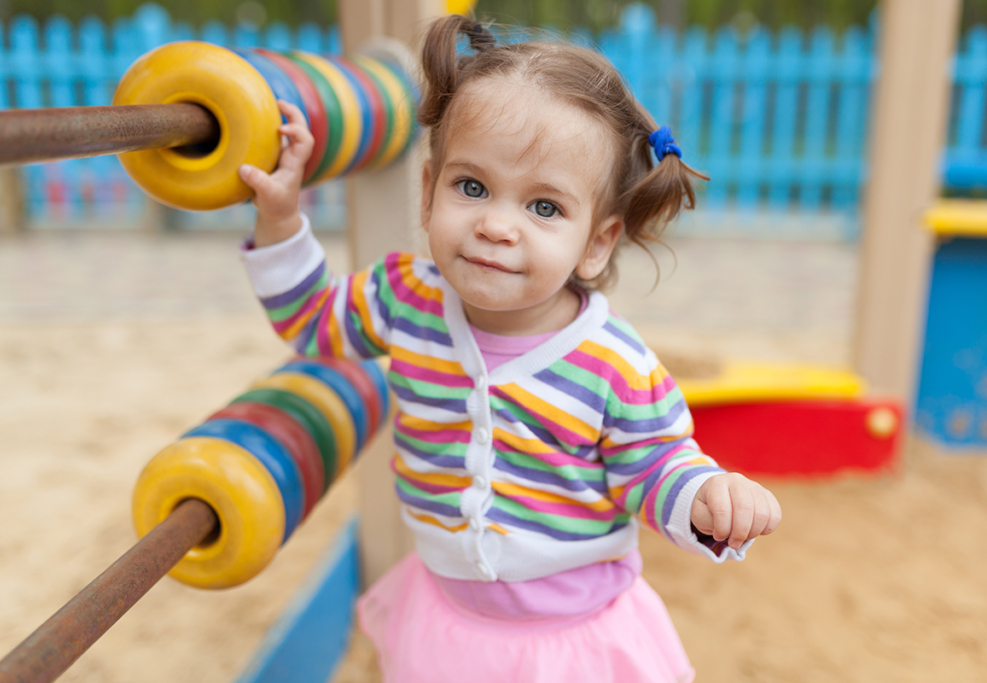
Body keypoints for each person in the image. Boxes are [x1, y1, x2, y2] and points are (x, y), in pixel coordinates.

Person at [237, 15, 782, 683]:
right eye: (472, 187)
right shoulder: (406, 297)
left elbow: (656, 464)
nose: (496, 225)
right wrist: (282, 220)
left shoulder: (615, 363)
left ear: (597, 242)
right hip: (446, 623)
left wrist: (705, 493)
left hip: (571, 644)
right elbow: (314, 322)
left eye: (544, 208)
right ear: (429, 186)